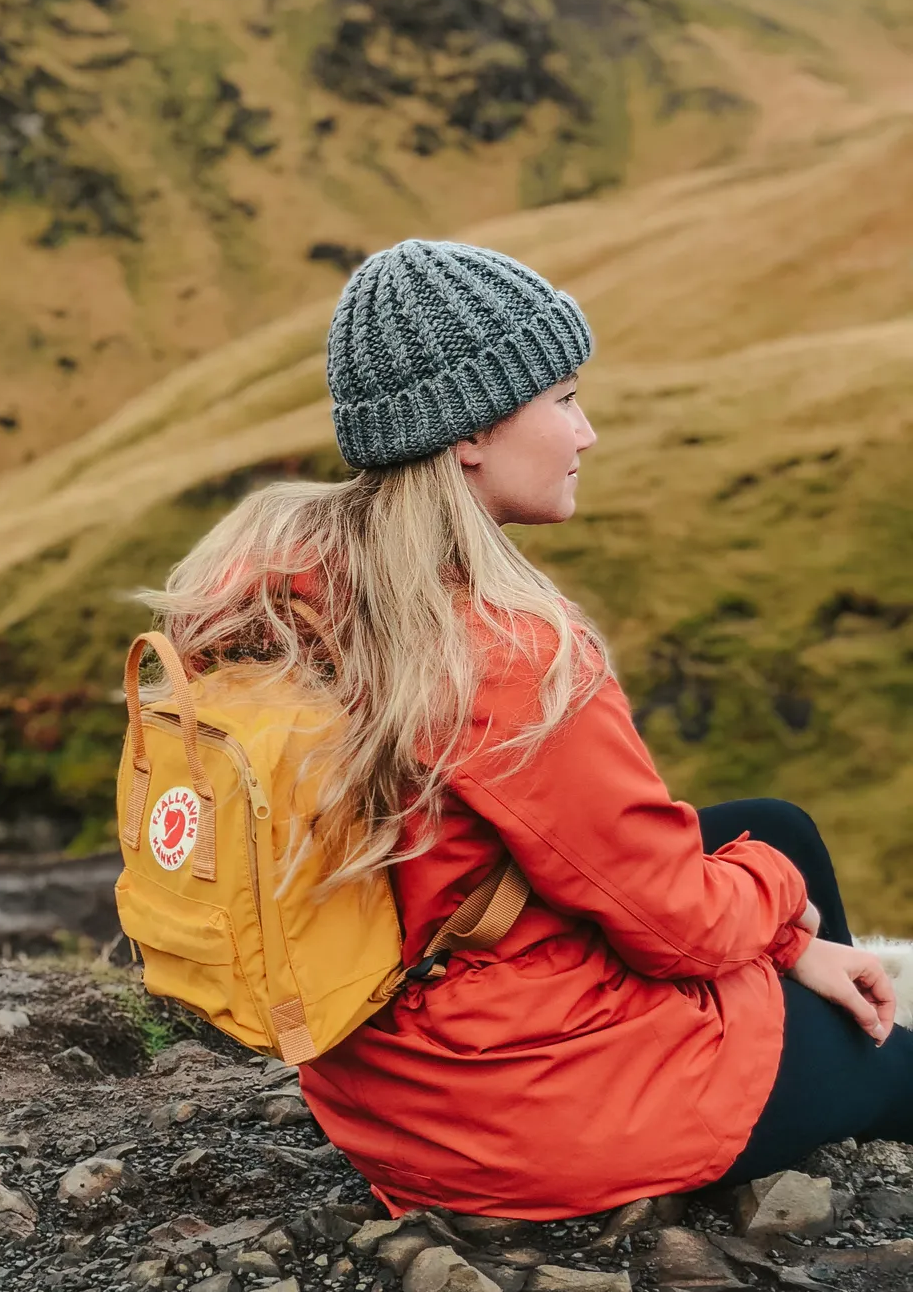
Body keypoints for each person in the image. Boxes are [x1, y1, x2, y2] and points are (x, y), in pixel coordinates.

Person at [142, 238, 908, 1220]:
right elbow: (672, 918)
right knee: (868, 1014)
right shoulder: (503, 655)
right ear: (467, 433)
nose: (584, 433)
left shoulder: (277, 593)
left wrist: (786, 932)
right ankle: (828, 1074)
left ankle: (809, 1039)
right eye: (561, 399)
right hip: (524, 1111)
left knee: (771, 821)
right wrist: (783, 905)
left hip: (383, 1089)